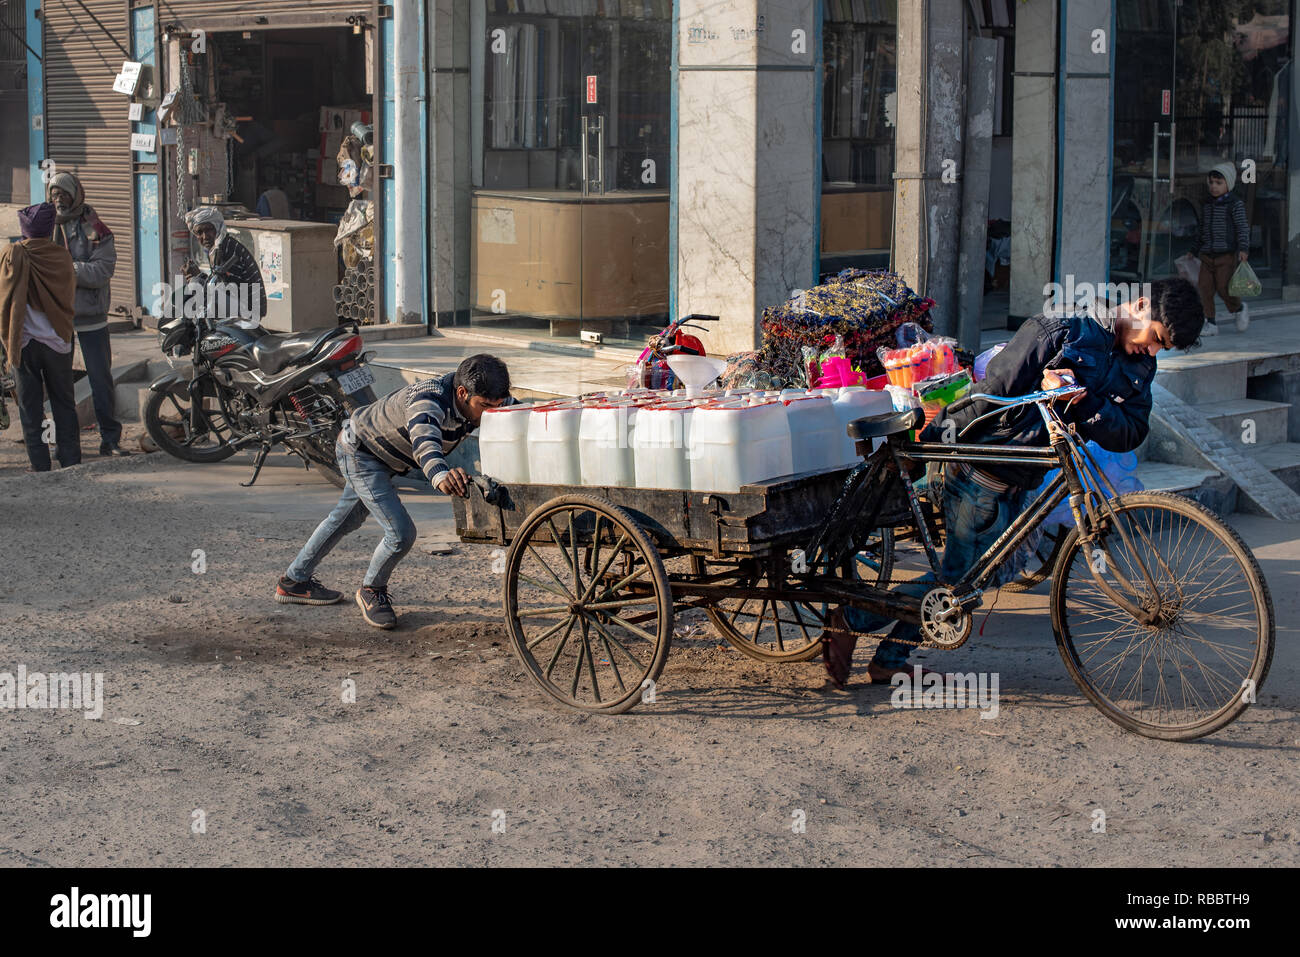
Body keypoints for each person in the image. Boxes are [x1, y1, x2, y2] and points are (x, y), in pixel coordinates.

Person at [822, 278, 1205, 688]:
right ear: (1141, 305)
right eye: (1156, 338)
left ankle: (886, 656)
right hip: (981, 468)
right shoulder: (1061, 331)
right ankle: (855, 619)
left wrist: (1083, 402)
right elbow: (990, 394)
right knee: (959, 580)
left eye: (1161, 348)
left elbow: (1130, 432)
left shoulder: (1140, 366)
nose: (1152, 350)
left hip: (1029, 473)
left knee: (988, 574)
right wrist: (934, 446)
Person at [275, 354, 516, 629]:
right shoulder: (428, 400)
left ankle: (294, 581)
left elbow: (520, 414)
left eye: (496, 405)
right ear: (462, 393)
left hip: (386, 457)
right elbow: (425, 444)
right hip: (360, 453)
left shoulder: (488, 398)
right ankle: (371, 590)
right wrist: (440, 476)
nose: (491, 413)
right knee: (401, 533)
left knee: (346, 518)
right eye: (485, 406)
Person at [47, 171, 128, 456]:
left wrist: (67, 270)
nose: (59, 199)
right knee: (59, 383)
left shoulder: (95, 227)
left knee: (99, 379)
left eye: (64, 194)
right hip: (57, 317)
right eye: (54, 194)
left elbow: (102, 271)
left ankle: (110, 440)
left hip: (91, 316)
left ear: (76, 195)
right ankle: (66, 445)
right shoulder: (45, 227)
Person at [0, 202, 80, 471]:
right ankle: (70, 461)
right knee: (64, 404)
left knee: (30, 408)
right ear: (49, 229)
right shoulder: (62, 258)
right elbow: (69, 297)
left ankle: (40, 465)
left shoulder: (12, 255)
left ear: (24, 230)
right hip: (59, 341)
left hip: (23, 344)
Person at [1190, 162, 1251, 336]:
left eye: (1219, 183)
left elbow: (1242, 228)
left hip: (1226, 254)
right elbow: (1201, 229)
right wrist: (1194, 249)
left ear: (1228, 184)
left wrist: (1243, 249)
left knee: (1225, 287)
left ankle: (1238, 308)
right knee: (1204, 288)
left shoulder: (1234, 205)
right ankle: (1210, 322)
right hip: (1207, 255)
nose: (1214, 187)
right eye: (1211, 183)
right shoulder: (1206, 204)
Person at [182, 206, 267, 329]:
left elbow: (229, 289)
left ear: (217, 227)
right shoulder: (219, 247)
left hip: (249, 310)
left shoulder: (225, 249)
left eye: (208, 230)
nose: (205, 236)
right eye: (199, 232)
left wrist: (196, 277)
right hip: (241, 303)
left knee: (197, 286)